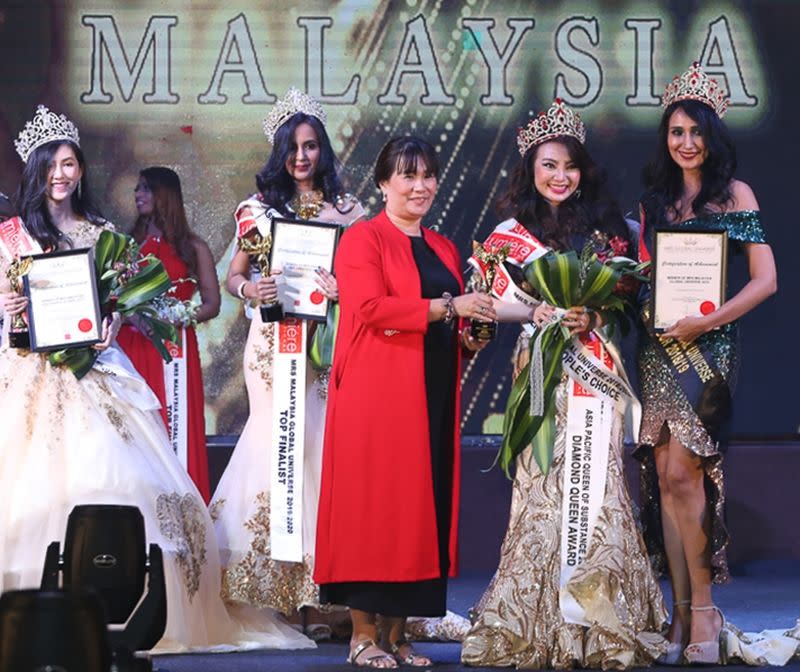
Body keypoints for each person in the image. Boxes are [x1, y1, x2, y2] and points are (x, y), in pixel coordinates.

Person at [0, 105, 312, 653]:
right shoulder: (11, 236)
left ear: (80, 170)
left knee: (122, 477)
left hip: (93, 370)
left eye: (70, 163)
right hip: (29, 373)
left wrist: (111, 321)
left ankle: (123, 605)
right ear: (36, 170)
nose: (62, 174)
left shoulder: (100, 233)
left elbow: (112, 303)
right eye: (52, 164)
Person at [461, 99, 666, 669]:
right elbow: (487, 302)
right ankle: (538, 620)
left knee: (596, 488)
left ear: (583, 171)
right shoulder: (510, 233)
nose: (559, 176)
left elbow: (630, 299)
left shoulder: (611, 230)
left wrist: (594, 316)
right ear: (531, 168)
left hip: (594, 369)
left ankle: (598, 624)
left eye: (569, 166)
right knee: (540, 487)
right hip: (541, 371)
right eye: (548, 165)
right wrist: (535, 314)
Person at [314, 135, 495, 668]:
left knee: (423, 510)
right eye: (408, 175)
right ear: (384, 183)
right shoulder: (361, 240)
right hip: (378, 393)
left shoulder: (442, 247)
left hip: (431, 391)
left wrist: (469, 337)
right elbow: (370, 308)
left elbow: (448, 320)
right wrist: (449, 305)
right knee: (377, 509)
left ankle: (396, 635)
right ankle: (362, 636)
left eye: (428, 176)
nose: (421, 186)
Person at [635, 63, 778, 665]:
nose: (685, 142)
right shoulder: (655, 201)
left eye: (695, 131)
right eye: (675, 132)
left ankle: (705, 610)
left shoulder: (735, 194)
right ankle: (678, 608)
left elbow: (766, 281)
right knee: (665, 479)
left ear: (711, 136)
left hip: (708, 349)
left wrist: (707, 321)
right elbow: (647, 279)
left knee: (690, 475)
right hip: (659, 349)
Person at [211, 88, 365, 637]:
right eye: (293, 148)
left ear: (323, 151)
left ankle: (321, 593)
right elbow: (233, 277)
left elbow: (364, 278)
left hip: (324, 347)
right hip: (274, 348)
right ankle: (275, 589)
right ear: (280, 153)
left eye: (311, 146)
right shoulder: (257, 212)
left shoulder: (347, 211)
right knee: (280, 443)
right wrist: (255, 286)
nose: (302, 157)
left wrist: (339, 287)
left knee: (321, 450)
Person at [116, 166, 220, 502]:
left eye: (145, 189)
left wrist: (181, 315)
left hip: (175, 347)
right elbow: (112, 299)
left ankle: (184, 514)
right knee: (139, 427)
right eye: (137, 189)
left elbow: (212, 303)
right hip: (134, 345)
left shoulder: (193, 247)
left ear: (166, 195)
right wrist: (133, 319)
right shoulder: (129, 246)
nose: (138, 195)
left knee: (175, 426)